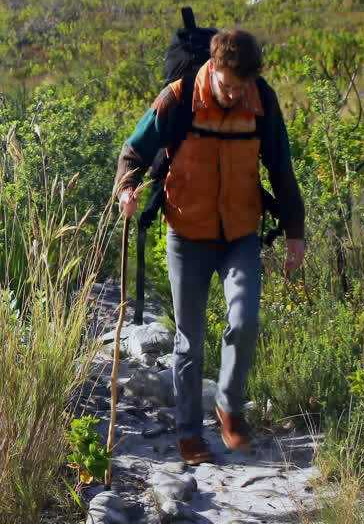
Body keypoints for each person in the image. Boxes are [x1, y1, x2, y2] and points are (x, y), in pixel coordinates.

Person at [114, 28, 305, 465]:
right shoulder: (178, 97)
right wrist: (127, 189)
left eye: (244, 86)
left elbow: (281, 166)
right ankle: (188, 432)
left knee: (244, 320)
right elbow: (133, 150)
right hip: (187, 233)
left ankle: (229, 407)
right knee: (189, 340)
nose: (237, 93)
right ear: (213, 67)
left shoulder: (262, 101)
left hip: (240, 233)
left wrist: (296, 231)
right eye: (229, 84)